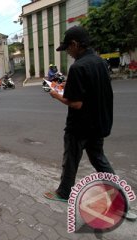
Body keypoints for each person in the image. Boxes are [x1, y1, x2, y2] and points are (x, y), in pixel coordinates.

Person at [44, 26, 115, 202]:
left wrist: (56, 95)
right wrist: (71, 84)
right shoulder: (100, 62)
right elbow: (93, 88)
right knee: (99, 159)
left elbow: (76, 103)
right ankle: (118, 194)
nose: (68, 52)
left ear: (75, 44)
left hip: (80, 127)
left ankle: (64, 193)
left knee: (71, 160)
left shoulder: (78, 67)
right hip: (99, 123)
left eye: (68, 48)